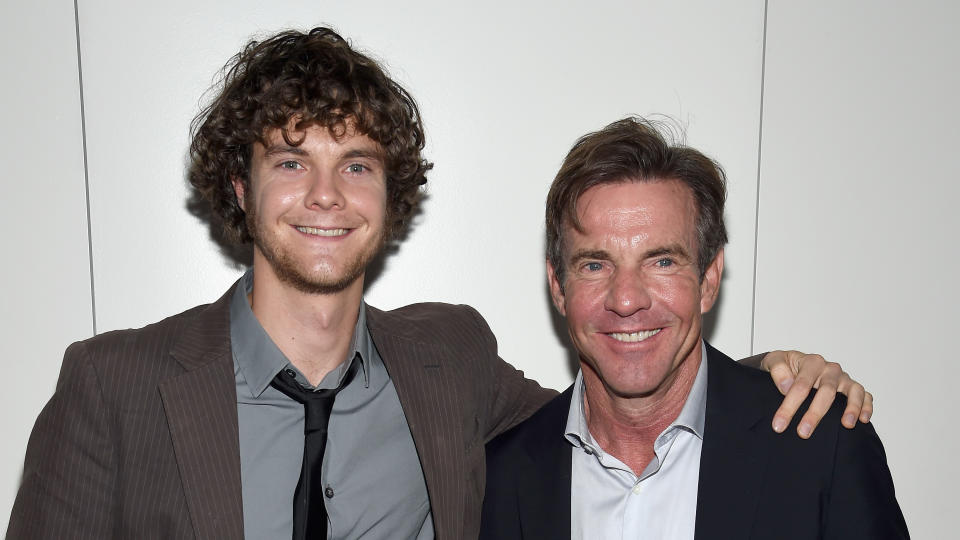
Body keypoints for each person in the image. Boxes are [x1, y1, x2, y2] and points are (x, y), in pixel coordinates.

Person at [8, 29, 872, 540]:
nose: (324, 196)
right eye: (289, 161)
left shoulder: (449, 363)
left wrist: (766, 375)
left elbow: (621, 389)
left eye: (355, 164)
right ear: (239, 188)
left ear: (390, 196)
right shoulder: (113, 387)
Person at [480, 117, 908, 539]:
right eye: (595, 265)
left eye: (662, 261)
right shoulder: (501, 475)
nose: (627, 299)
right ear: (558, 287)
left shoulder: (822, 447)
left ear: (708, 279)